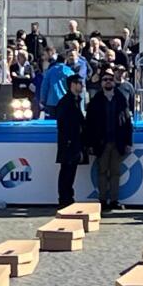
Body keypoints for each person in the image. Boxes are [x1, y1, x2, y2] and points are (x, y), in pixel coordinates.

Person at [85, 73, 133, 211]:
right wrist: (90, 144)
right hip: (102, 143)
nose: (108, 82)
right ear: (101, 83)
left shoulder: (121, 99)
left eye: (110, 80)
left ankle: (114, 200)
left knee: (115, 173)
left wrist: (128, 142)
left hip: (117, 142)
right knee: (102, 172)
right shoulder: (96, 100)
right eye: (105, 80)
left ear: (114, 82)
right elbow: (89, 124)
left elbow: (127, 122)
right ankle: (102, 200)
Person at [53, 75, 86, 208]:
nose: (82, 85)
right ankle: (64, 198)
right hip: (69, 143)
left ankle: (68, 197)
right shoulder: (66, 102)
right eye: (79, 83)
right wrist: (69, 141)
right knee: (66, 170)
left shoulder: (76, 100)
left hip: (75, 142)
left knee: (70, 171)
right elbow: (63, 124)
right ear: (72, 84)